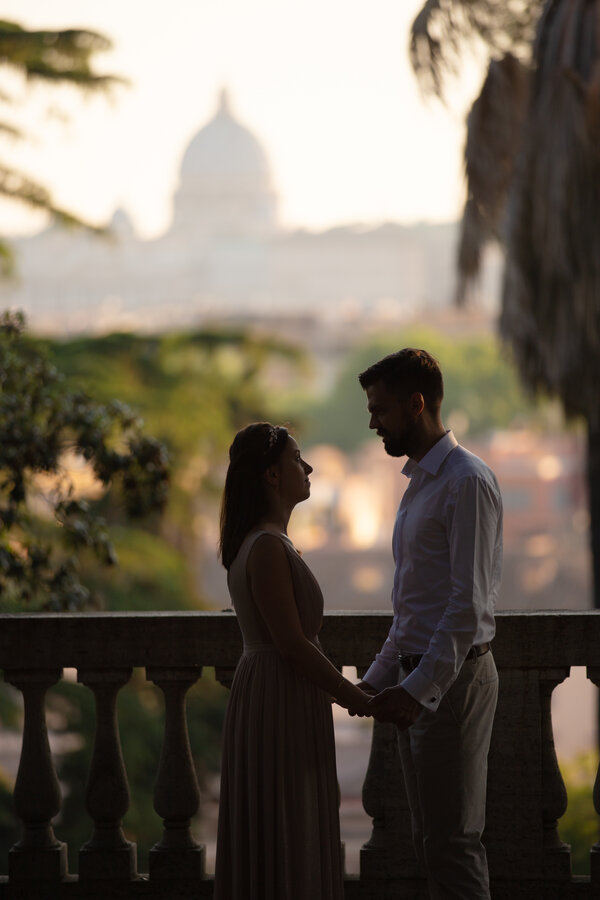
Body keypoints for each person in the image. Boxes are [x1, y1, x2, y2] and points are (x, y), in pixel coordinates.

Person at [357, 349, 503, 900]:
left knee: (454, 845)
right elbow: (413, 607)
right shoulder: (423, 483)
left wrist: (415, 690)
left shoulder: (466, 482)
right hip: (426, 681)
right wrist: (378, 678)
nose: (373, 423)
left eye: (381, 410)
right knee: (432, 843)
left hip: (452, 684)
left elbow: (466, 608)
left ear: (417, 405)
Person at [214, 422, 372, 900]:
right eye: (297, 458)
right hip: (278, 694)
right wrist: (356, 698)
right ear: (271, 476)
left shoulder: (264, 543)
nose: (308, 468)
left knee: (285, 820)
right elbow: (293, 645)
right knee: (288, 822)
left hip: (276, 692)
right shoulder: (264, 546)